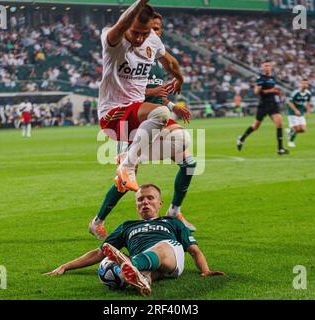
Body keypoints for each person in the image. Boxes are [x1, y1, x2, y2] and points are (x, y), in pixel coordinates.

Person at [89, 11, 196, 241]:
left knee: (188, 159)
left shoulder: (156, 63)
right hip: (132, 123)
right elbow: (131, 93)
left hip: (156, 120)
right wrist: (153, 95)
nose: (152, 35)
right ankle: (98, 221)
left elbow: (159, 99)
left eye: (156, 31)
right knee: (125, 181)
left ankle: (175, 211)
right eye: (150, 30)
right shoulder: (130, 54)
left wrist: (173, 106)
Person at [46, 184, 224, 296]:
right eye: (140, 199)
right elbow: (99, 253)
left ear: (160, 203)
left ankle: (131, 264)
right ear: (136, 205)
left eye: (150, 198)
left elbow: (194, 250)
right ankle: (142, 282)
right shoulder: (127, 226)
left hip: (171, 254)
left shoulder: (172, 222)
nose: (145, 202)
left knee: (160, 248)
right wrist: (65, 266)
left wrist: (205, 270)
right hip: (149, 265)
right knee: (142, 275)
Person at [97, 0, 191, 193]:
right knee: (161, 113)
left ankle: (129, 158)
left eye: (145, 33)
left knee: (182, 140)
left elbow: (171, 63)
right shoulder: (113, 39)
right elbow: (122, 24)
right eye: (135, 32)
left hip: (137, 116)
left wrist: (179, 78)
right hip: (113, 115)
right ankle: (128, 165)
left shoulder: (152, 40)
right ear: (127, 26)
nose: (140, 39)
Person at [236, 61, 289, 155]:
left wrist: (276, 93)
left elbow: (272, 90)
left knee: (279, 123)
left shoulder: (272, 78)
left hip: (273, 104)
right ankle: (241, 138)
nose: (267, 67)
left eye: (268, 65)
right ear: (262, 68)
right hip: (263, 105)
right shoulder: (260, 78)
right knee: (256, 126)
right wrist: (271, 90)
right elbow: (256, 92)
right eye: (265, 66)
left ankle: (280, 149)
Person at [285, 79, 311, 148]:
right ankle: (291, 141)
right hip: (292, 112)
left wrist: (307, 112)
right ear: (300, 84)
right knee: (297, 129)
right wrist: (295, 110)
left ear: (308, 85)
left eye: (306, 83)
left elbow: (308, 103)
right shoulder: (295, 92)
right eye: (303, 83)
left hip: (301, 111)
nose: (304, 85)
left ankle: (289, 131)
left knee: (303, 130)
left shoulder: (308, 93)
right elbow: (290, 102)